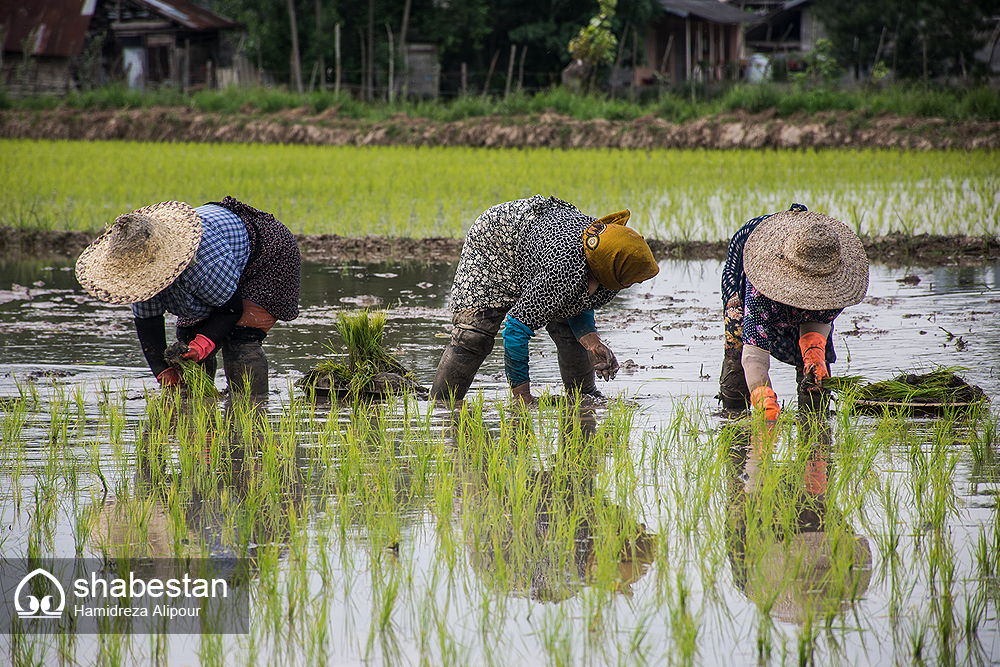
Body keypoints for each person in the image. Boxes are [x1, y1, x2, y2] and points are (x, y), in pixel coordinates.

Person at [429, 195, 660, 404]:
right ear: (614, 267)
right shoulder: (561, 269)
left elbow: (579, 302)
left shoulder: (607, 263)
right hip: (497, 241)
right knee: (474, 335)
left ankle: (584, 398)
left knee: (568, 330)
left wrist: (592, 342)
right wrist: (523, 397)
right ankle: (440, 406)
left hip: (541, 244)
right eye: (635, 277)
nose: (638, 283)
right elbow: (515, 330)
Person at [75, 197, 301, 395]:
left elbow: (230, 309)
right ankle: (197, 409)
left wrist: (203, 345)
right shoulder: (137, 272)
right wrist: (163, 370)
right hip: (219, 263)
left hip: (265, 255)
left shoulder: (203, 265)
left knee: (241, 339)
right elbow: (148, 322)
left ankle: (251, 411)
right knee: (187, 341)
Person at [717, 204, 869, 419]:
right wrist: (764, 399)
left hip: (813, 269)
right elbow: (754, 353)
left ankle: (815, 421)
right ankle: (733, 415)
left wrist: (813, 351)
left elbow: (816, 324)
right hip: (753, 258)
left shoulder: (836, 281)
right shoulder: (761, 284)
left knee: (815, 360)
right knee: (737, 342)